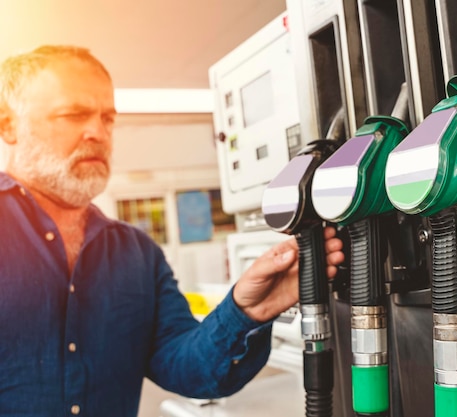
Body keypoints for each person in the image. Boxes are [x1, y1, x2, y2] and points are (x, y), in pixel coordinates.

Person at [0, 45, 345, 417]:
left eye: (108, 119)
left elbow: (188, 369)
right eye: (73, 114)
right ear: (8, 125)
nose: (97, 132)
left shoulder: (135, 252)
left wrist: (247, 311)